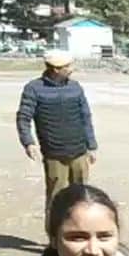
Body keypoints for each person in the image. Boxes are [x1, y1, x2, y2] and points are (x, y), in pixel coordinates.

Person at [16, 50, 97, 217]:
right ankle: (54, 237)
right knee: (56, 198)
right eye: (68, 66)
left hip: (79, 151)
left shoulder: (75, 87)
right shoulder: (34, 88)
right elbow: (24, 118)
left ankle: (77, 232)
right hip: (54, 153)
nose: (71, 69)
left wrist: (92, 145)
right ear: (56, 69)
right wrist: (28, 142)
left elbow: (85, 116)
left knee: (81, 197)